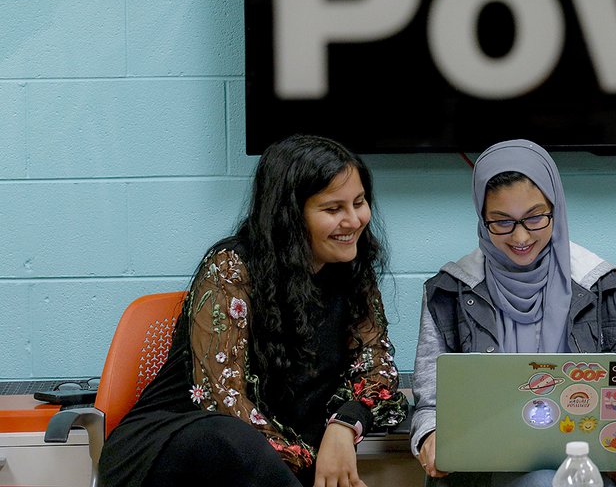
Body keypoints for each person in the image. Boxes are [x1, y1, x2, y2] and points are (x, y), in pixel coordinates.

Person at [98, 134, 408, 487]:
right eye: (333, 209)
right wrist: (312, 459)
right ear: (290, 216)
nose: (354, 220)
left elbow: (377, 372)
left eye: (359, 202)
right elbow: (223, 401)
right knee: (233, 439)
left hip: (269, 464)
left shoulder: (354, 272)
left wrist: (343, 427)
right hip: (174, 448)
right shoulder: (231, 268)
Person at [410, 139, 616, 487]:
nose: (520, 237)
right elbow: (430, 406)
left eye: (534, 218)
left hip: (585, 473)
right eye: (501, 222)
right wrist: (430, 438)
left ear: (555, 209)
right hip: (480, 477)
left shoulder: (601, 285)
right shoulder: (449, 292)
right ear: (481, 218)